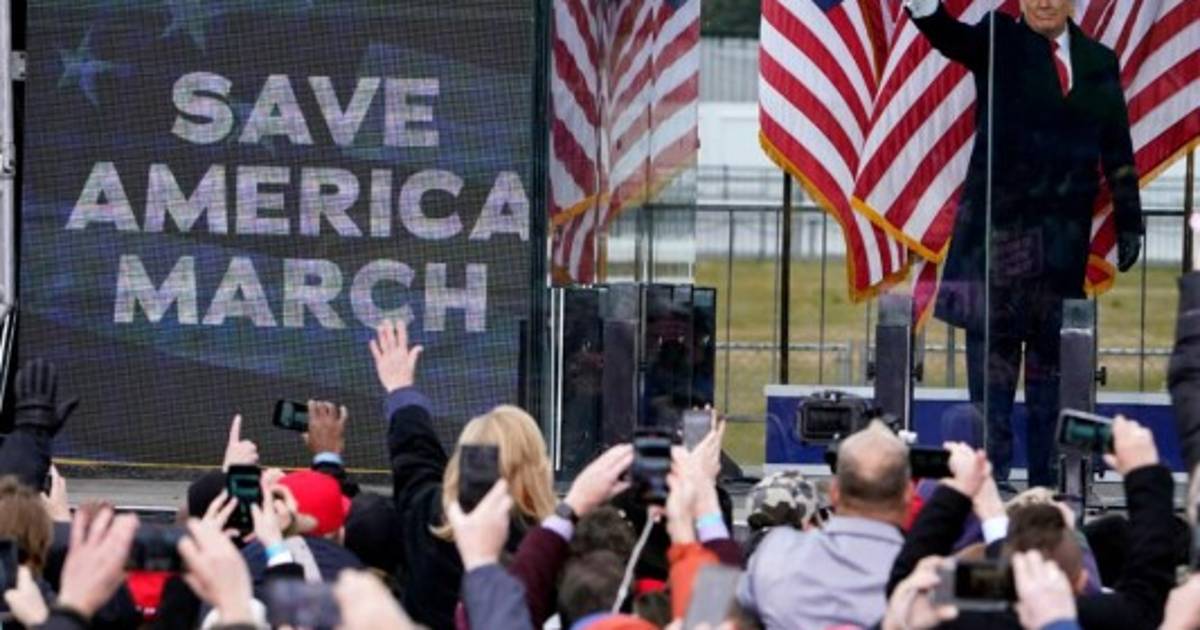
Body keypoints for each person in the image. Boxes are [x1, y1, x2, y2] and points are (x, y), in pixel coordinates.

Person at [905, 0, 1143, 489]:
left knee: (1049, 384)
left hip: (1060, 256)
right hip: (996, 252)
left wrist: (1129, 221)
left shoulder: (1099, 61)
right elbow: (949, 36)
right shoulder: (999, 40)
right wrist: (924, 7)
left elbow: (1117, 148)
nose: (1044, 2)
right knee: (990, 388)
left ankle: (1047, 484)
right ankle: (989, 484)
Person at [887, 416, 1175, 630]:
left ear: (995, 578)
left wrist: (961, 492)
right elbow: (1147, 597)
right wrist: (1144, 470)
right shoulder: (1094, 617)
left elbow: (904, 587)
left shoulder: (956, 620)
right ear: (1083, 581)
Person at [371, 319, 557, 629]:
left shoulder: (427, 517)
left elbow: (415, 456)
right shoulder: (548, 549)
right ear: (537, 467)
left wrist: (400, 389)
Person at [737, 421, 911, 629]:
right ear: (908, 494)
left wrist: (708, 514)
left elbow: (714, 611)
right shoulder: (925, 581)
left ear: (834, 492)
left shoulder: (775, 554)